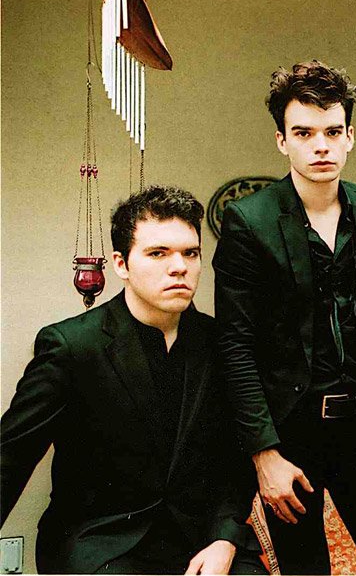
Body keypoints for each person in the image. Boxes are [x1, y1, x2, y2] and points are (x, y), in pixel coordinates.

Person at [213, 60, 356, 575]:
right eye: (304, 133)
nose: (320, 146)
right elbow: (235, 346)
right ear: (282, 141)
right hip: (290, 433)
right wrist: (264, 455)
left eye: (332, 132)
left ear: (350, 136)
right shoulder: (249, 220)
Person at [0, 186, 263, 574]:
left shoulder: (219, 343)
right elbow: (11, 456)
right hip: (101, 543)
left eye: (190, 253)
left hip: (201, 540)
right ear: (121, 264)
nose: (179, 267)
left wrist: (225, 539)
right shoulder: (72, 345)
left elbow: (235, 457)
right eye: (158, 253)